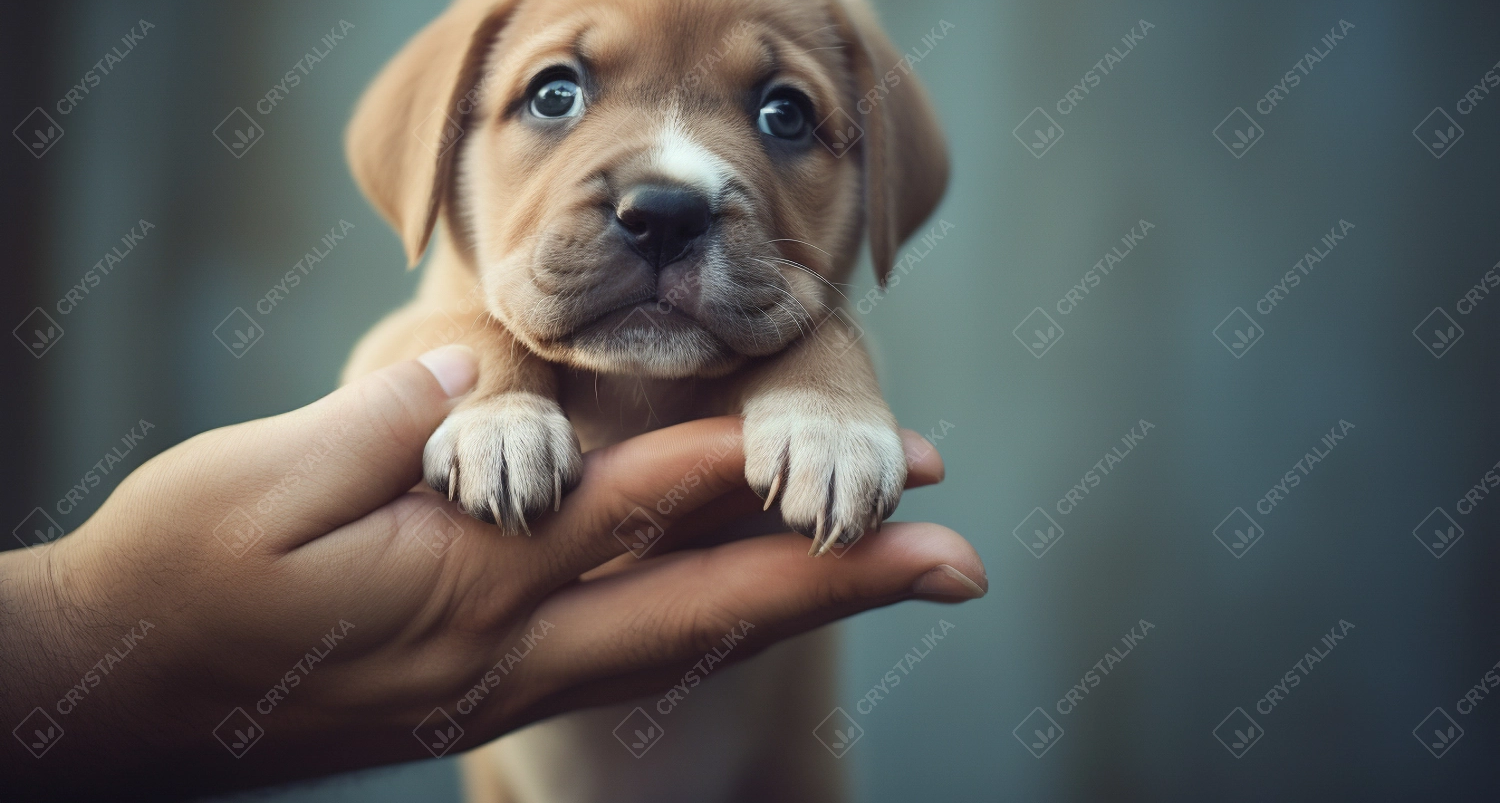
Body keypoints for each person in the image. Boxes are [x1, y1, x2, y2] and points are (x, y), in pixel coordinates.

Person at [1, 345, 985, 799]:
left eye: (781, 114)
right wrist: (86, 647)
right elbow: (407, 355)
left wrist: (821, 379)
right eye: (555, 91)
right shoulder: (477, 313)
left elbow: (807, 319)